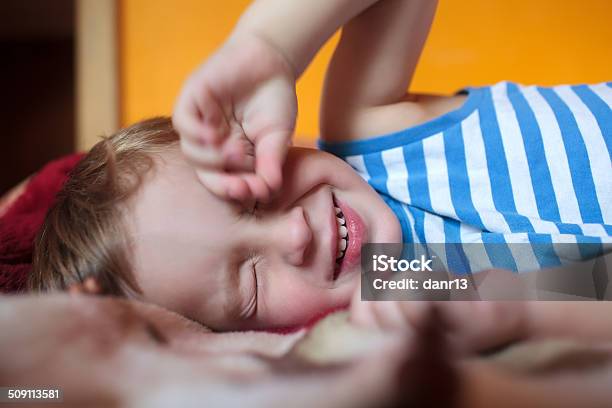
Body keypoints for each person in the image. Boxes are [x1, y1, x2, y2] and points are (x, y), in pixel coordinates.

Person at [29, 0, 611, 332]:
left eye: (252, 196)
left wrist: (271, 45)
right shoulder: (403, 303)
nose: (292, 231)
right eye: (250, 284)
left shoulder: (373, 132)